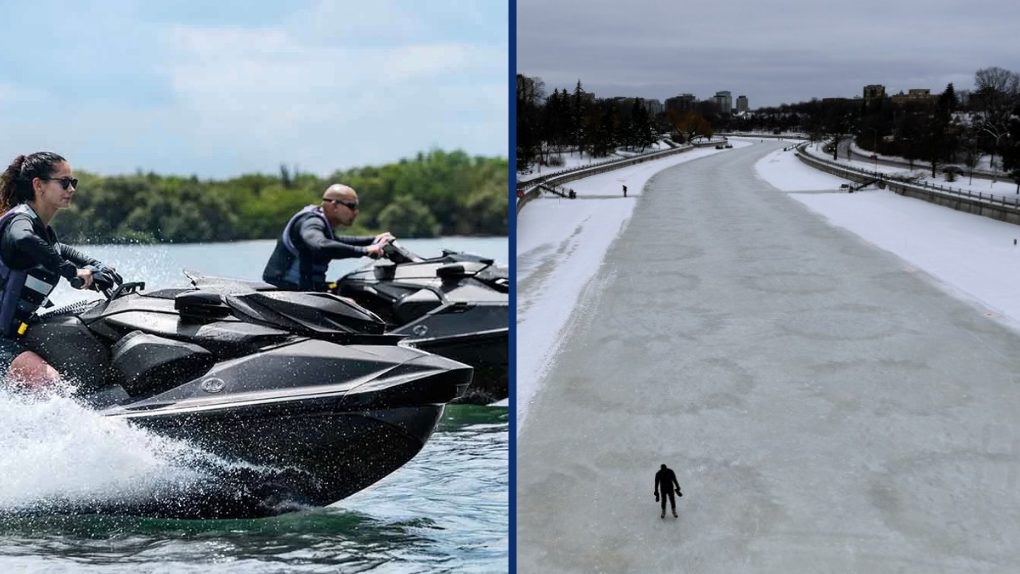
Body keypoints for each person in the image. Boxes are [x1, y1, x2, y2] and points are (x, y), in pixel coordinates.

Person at [0, 152, 121, 391]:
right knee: (52, 386)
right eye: (64, 182)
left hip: (18, 334)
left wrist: (100, 269)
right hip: (2, 341)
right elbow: (23, 239)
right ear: (39, 185)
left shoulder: (45, 233)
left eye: (73, 182)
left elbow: (63, 251)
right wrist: (71, 273)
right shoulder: (20, 223)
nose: (71, 189)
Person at [262, 183, 395, 291]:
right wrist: (365, 250)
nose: (356, 212)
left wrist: (374, 239)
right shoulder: (311, 222)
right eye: (351, 206)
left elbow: (335, 242)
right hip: (289, 293)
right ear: (334, 205)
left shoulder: (323, 223)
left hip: (308, 291)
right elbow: (320, 245)